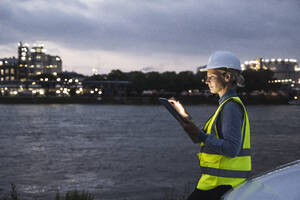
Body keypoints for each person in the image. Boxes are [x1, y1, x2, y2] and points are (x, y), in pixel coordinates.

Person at [178, 51, 251, 200]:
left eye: (211, 77)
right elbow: (209, 142)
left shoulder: (230, 107)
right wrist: (189, 125)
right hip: (220, 184)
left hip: (219, 186)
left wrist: (199, 134)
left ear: (227, 77)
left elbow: (231, 149)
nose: (207, 81)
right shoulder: (226, 105)